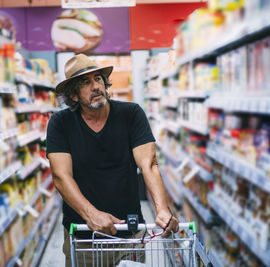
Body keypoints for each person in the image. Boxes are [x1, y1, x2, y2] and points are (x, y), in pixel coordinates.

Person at [46, 53, 179, 266]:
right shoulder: (60, 123)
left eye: (98, 78)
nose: (95, 86)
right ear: (73, 96)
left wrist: (162, 209)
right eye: (85, 83)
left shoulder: (131, 114)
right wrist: (91, 215)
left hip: (129, 236)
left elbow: (149, 164)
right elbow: (61, 176)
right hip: (84, 239)